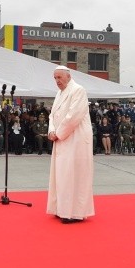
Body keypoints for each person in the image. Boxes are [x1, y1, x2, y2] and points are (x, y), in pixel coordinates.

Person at [47, 65, 94, 224]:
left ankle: (74, 213)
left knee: (73, 175)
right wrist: (52, 131)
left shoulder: (78, 90)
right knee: (61, 176)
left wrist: (58, 133)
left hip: (75, 140)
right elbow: (52, 115)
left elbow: (74, 116)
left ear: (68, 76)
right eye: (55, 78)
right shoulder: (59, 93)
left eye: (59, 77)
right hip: (61, 138)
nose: (57, 81)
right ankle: (61, 209)